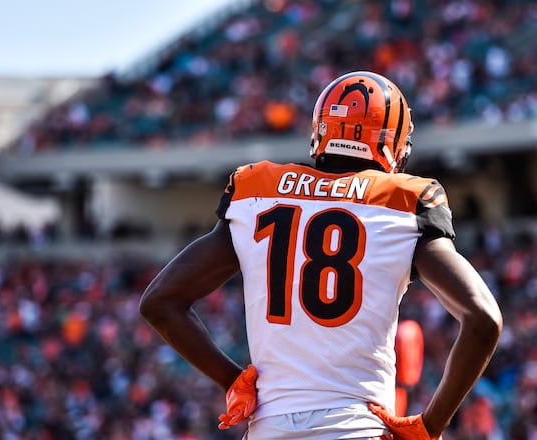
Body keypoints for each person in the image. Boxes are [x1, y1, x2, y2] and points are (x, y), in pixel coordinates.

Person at [139, 71, 503, 439]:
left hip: (270, 429)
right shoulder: (404, 202)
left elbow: (159, 302)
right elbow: (483, 318)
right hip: (356, 428)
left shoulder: (257, 193)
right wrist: (431, 425)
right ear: (393, 143)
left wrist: (234, 380)